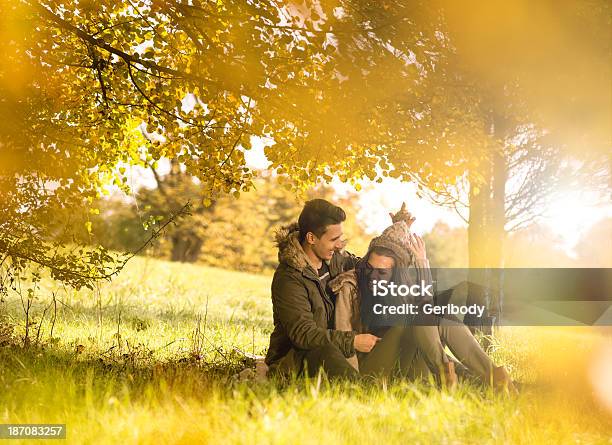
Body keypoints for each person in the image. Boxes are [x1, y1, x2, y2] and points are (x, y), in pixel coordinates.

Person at [330, 219, 517, 392]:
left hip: (403, 368)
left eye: (382, 272)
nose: (373, 276)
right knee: (416, 315)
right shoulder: (350, 287)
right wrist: (353, 385)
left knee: (442, 320)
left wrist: (422, 263)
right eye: (369, 268)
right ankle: (444, 376)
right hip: (367, 373)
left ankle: (498, 380)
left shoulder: (400, 290)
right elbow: (343, 333)